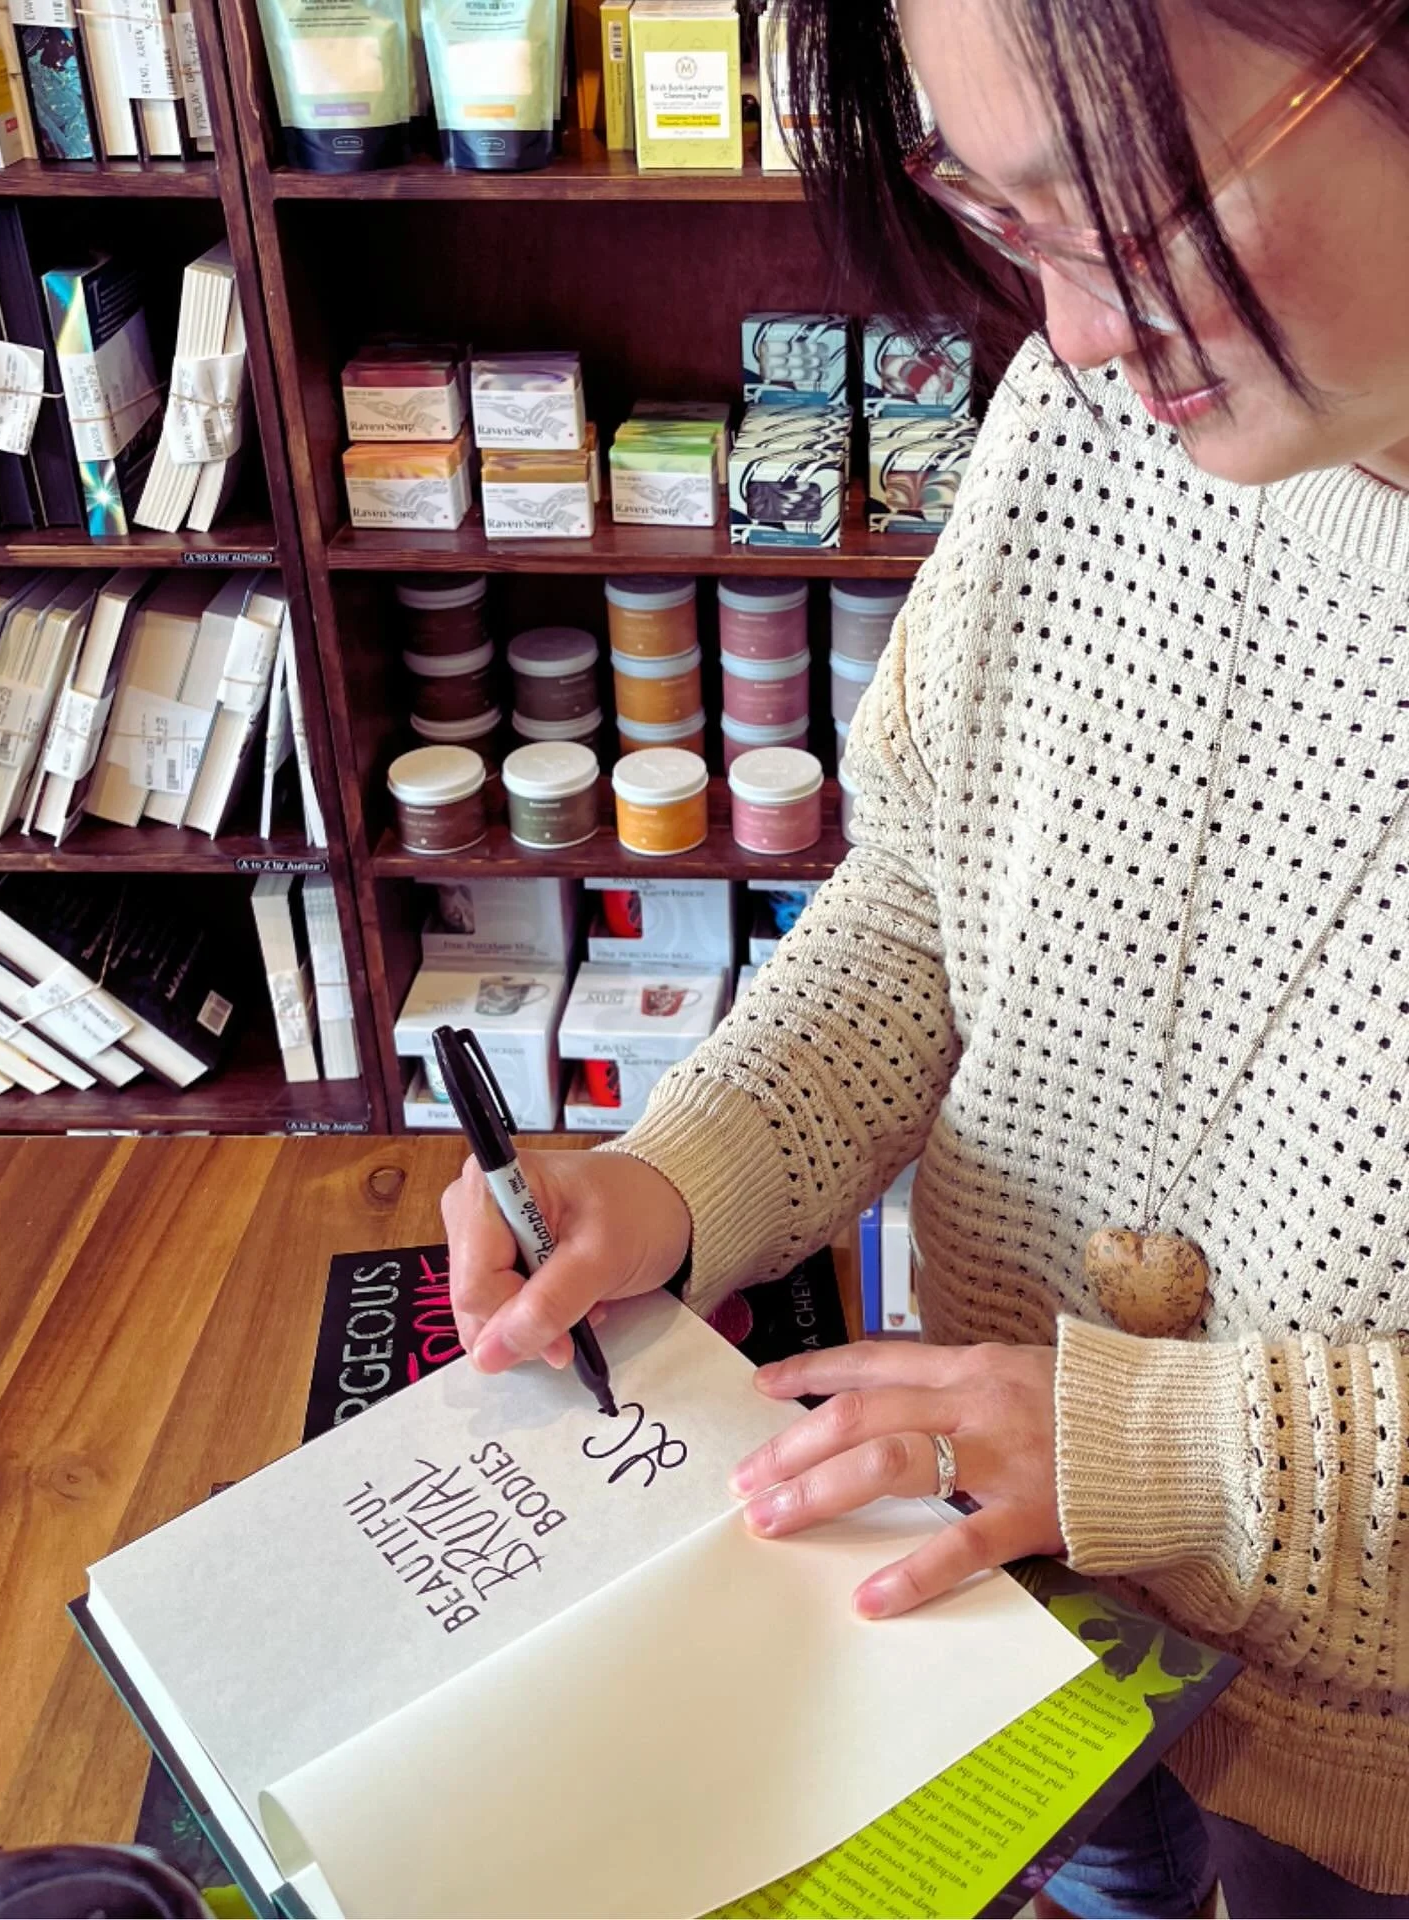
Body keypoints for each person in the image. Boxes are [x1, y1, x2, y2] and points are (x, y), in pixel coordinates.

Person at [443, 2, 1409, 1912]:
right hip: (1006, 1618)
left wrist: (1172, 1455)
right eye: (1001, 213)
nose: (1073, 329)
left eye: (1126, 214)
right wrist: (675, 1180)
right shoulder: (1095, 421)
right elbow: (921, 912)